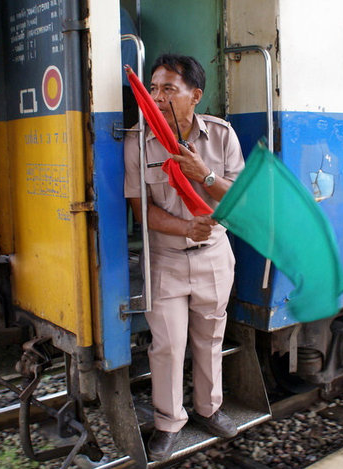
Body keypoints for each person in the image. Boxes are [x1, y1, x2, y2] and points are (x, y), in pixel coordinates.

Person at [123, 54, 245, 461]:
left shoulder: (222, 136)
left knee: (210, 338)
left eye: (168, 89)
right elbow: (142, 210)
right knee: (168, 345)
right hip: (167, 257)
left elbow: (241, 200)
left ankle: (209, 410)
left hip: (213, 254)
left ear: (195, 95)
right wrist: (184, 228)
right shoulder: (138, 140)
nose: (157, 96)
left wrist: (204, 175)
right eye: (153, 88)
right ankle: (168, 423)